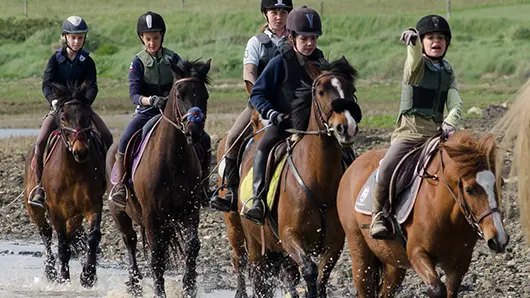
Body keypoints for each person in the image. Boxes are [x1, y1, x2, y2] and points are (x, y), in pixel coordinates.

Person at [369, 15, 463, 239]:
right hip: (409, 135)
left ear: (446, 43)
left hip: (436, 136)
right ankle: (377, 215)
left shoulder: (448, 72)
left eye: (440, 37)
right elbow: (412, 63)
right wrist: (412, 43)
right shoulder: (417, 66)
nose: (435, 42)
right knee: (387, 167)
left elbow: (455, 102)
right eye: (430, 37)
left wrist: (450, 122)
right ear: (422, 41)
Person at [241, 6, 327, 224]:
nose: (310, 44)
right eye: (305, 38)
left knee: (344, 151)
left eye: (314, 38)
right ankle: (258, 199)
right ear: (292, 36)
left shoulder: (320, 62)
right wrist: (271, 113)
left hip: (314, 126)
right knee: (263, 148)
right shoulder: (279, 62)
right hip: (284, 124)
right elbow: (257, 94)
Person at [210, 0, 293, 212]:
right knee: (231, 140)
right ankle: (230, 190)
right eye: (274, 11)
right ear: (265, 14)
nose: (279, 16)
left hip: (293, 107)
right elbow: (249, 75)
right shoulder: (256, 42)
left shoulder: (297, 39)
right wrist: (261, 101)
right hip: (258, 105)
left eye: (283, 12)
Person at [29, 16, 113, 208]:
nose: (76, 41)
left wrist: (84, 102)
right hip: (59, 109)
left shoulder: (88, 61)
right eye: (73, 37)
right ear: (65, 38)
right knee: (40, 142)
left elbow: (92, 86)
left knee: (107, 136)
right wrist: (54, 101)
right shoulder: (55, 60)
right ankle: (39, 187)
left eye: (80, 37)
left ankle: (109, 184)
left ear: (84, 39)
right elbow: (46, 84)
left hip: (81, 109)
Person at [108, 11, 184, 208]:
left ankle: (201, 185)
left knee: (201, 138)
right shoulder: (138, 62)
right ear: (141, 38)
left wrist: (169, 100)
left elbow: (182, 84)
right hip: (147, 111)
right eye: (148, 39)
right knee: (124, 140)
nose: (152, 43)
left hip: (172, 112)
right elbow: (134, 95)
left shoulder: (173, 58)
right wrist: (151, 100)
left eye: (156, 38)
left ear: (162, 37)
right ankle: (120, 184)